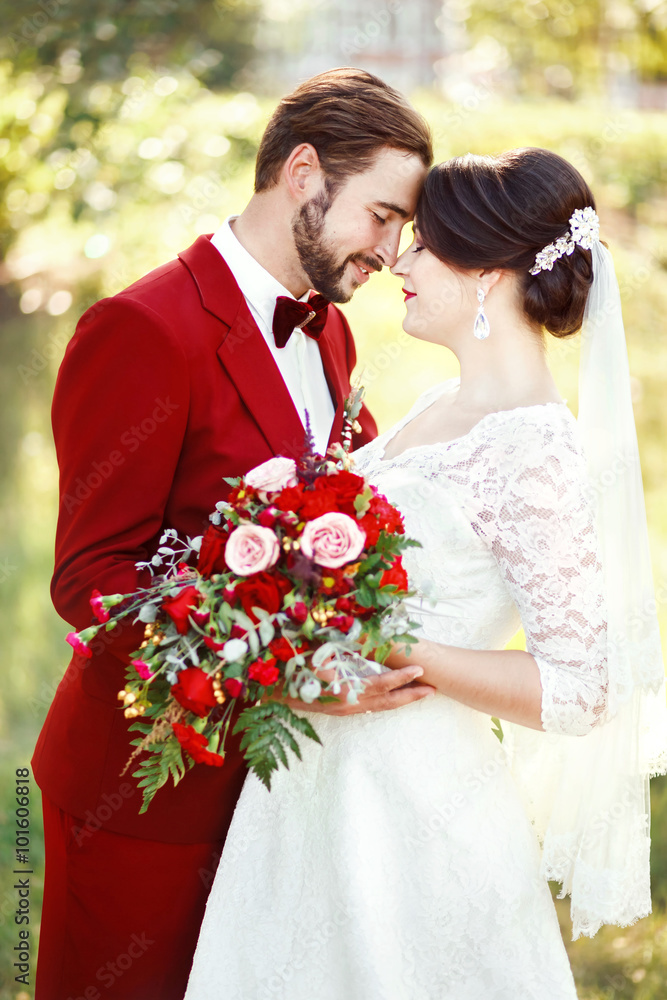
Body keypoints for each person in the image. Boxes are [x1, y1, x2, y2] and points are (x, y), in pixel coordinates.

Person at [185, 148, 667, 999]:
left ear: (486, 272)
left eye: (425, 245)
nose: (398, 262)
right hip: (311, 784)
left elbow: (582, 687)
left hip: (412, 810)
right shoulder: (437, 407)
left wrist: (401, 647)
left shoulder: (532, 447)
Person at [32, 68, 434, 999]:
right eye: (380, 215)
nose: (389, 249)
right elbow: (92, 581)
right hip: (139, 798)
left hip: (275, 792)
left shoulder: (325, 328)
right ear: (303, 171)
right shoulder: (140, 327)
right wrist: (284, 668)